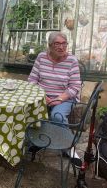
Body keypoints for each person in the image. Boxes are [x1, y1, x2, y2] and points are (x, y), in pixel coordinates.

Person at [28, 31, 82, 165]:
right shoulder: (41, 57)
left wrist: (60, 99)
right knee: (28, 111)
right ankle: (40, 140)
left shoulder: (72, 60)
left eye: (64, 43)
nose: (61, 47)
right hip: (42, 96)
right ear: (50, 45)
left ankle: (68, 147)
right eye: (57, 43)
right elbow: (32, 80)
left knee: (57, 115)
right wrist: (42, 96)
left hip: (65, 97)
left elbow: (75, 86)